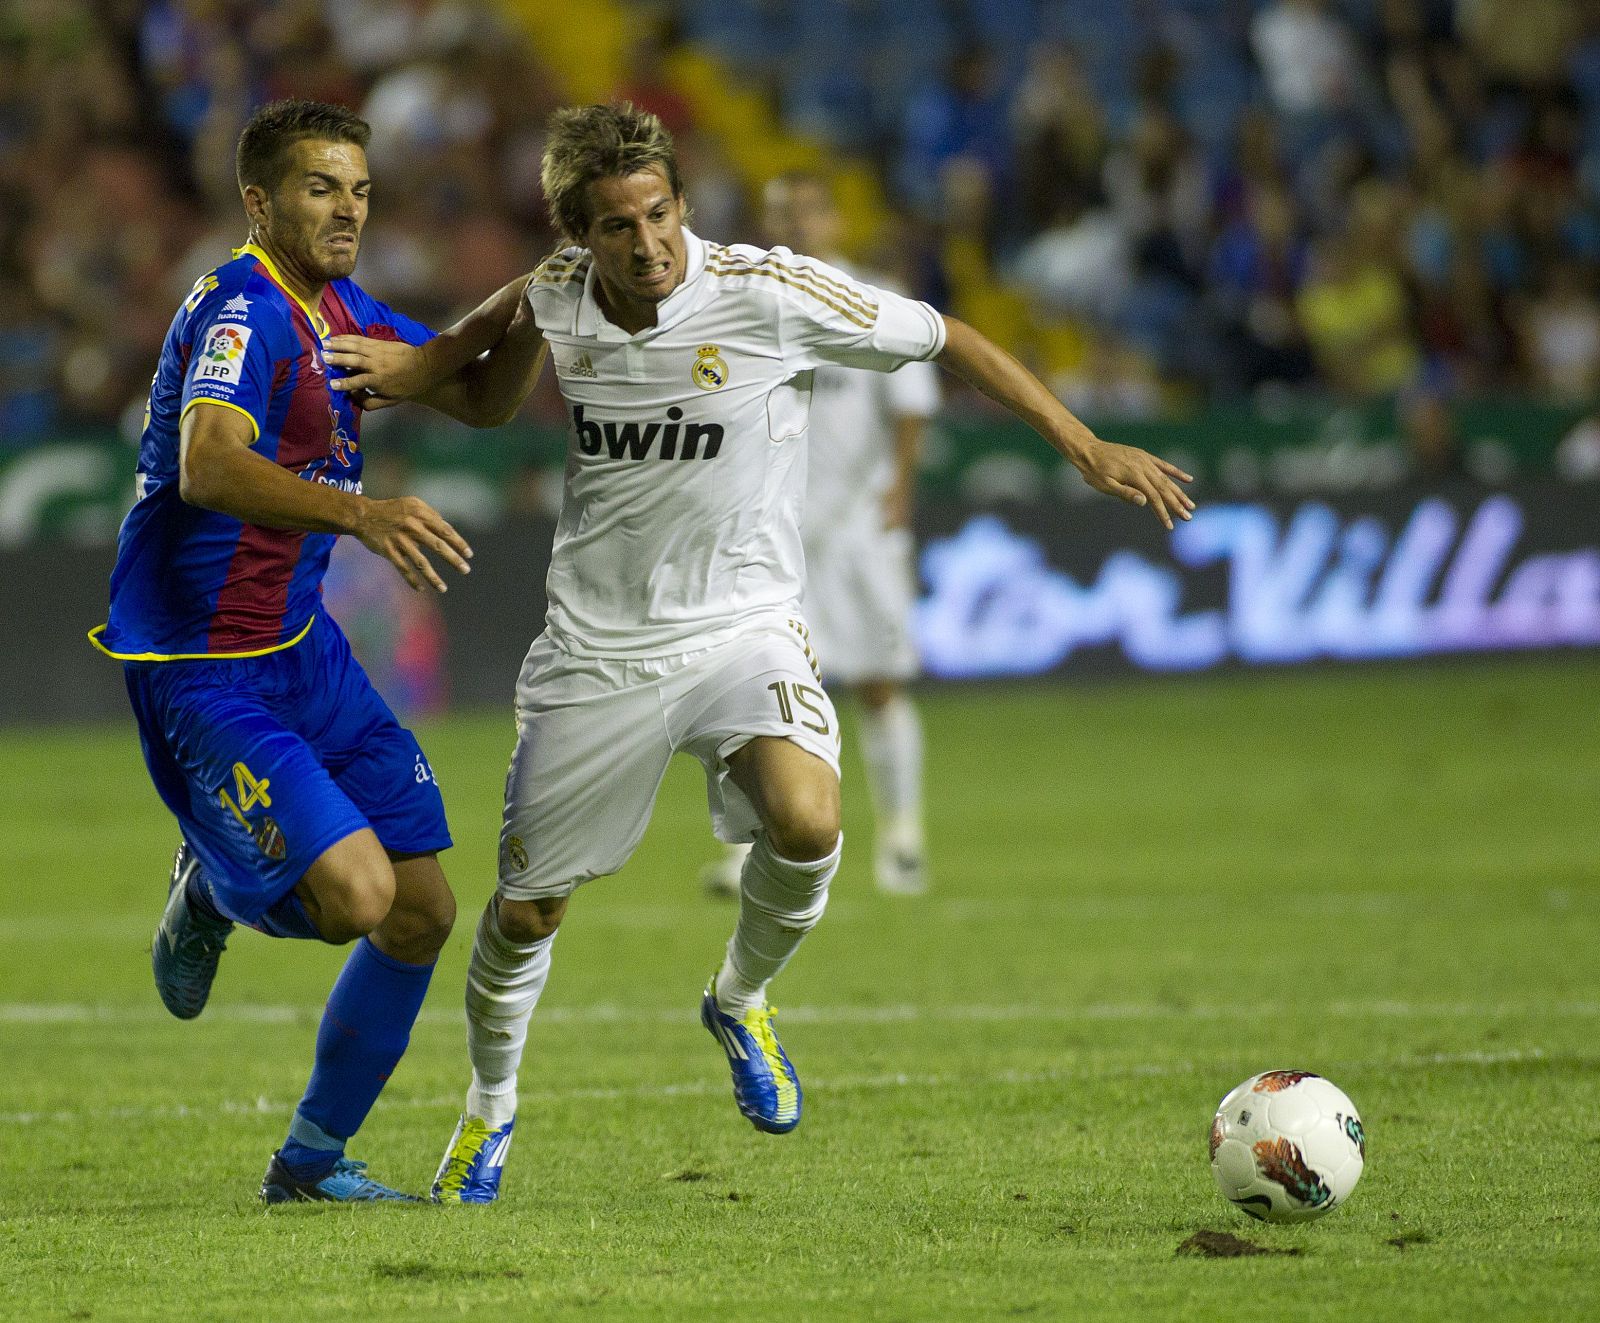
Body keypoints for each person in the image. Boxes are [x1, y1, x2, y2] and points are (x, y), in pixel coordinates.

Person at [325, 103, 1193, 1205]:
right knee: (528, 912)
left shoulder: (766, 292)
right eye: (615, 227)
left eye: (658, 215)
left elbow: (944, 337)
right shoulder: (557, 290)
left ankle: (737, 1001)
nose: (645, 244)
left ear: (682, 203)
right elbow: (491, 374)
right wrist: (418, 367)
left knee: (810, 818)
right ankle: (488, 1114)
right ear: (577, 235)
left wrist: (1081, 444)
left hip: (743, 627)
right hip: (597, 650)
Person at [88, 98, 530, 1203]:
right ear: (260, 201)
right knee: (354, 898)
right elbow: (208, 465)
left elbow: (476, 396)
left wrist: (529, 310)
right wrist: (362, 513)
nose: (347, 209)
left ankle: (309, 1166)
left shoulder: (337, 304)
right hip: (202, 667)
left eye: (361, 190)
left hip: (302, 647)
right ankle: (211, 887)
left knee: (422, 910)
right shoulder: (245, 310)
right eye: (322, 187)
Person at [702, 171, 941, 899]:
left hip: (860, 529)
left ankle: (902, 834)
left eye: (808, 211)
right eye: (781, 214)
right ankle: (754, 849)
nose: (795, 226)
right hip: (774, 535)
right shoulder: (742, 306)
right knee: (761, 695)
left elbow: (910, 401)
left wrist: (899, 486)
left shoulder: (868, 298)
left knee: (878, 683)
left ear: (834, 218)